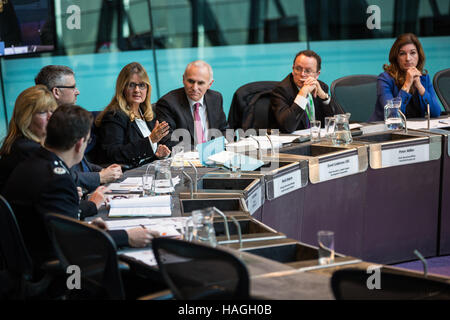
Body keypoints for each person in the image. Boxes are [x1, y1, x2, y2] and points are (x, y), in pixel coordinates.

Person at [2, 105, 159, 268]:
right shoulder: (57, 179)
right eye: (88, 140)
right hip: (61, 270)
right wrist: (127, 236)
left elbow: (56, 219)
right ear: (79, 144)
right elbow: (74, 243)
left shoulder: (35, 162)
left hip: (34, 253)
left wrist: (86, 227)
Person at [35, 65, 123, 192]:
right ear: (56, 92)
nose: (77, 91)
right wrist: (100, 176)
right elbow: (61, 173)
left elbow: (80, 165)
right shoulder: (43, 129)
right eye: (72, 87)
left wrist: (103, 171)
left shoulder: (63, 121)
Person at [94, 62, 171, 167]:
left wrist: (158, 155)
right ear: (122, 88)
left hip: (146, 173)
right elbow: (114, 154)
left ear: (147, 89)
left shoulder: (147, 115)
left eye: (142, 85)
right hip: (126, 177)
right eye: (131, 85)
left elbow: (143, 156)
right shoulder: (114, 116)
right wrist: (150, 140)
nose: (137, 90)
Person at [155, 60, 228, 149]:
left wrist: (224, 143)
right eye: (191, 81)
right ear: (183, 79)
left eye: (200, 83)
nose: (194, 88)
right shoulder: (167, 103)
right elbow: (167, 139)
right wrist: (199, 151)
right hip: (185, 159)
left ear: (210, 84)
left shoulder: (216, 98)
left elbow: (223, 129)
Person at [369, 33, 441, 121]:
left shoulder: (424, 78)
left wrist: (419, 86)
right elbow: (392, 115)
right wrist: (407, 84)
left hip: (416, 131)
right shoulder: (385, 79)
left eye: (413, 53)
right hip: (387, 131)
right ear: (396, 57)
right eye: (402, 54)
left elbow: (436, 112)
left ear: (419, 56)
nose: (408, 58)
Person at [0, 85, 57, 189]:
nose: (50, 117)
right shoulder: (28, 150)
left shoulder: (21, 143)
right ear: (26, 118)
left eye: (52, 111)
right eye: (42, 112)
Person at [270, 50, 335, 133]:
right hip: (292, 143)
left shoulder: (321, 87)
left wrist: (324, 97)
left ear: (317, 74)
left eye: (307, 71)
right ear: (293, 70)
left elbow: (338, 121)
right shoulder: (281, 91)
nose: (302, 74)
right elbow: (287, 127)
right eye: (298, 69)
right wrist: (302, 94)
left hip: (316, 139)